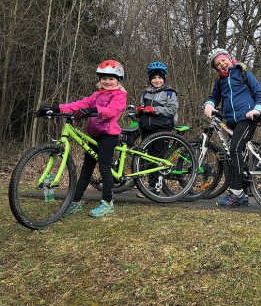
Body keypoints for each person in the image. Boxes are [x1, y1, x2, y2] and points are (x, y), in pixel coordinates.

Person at [35, 60, 127, 218]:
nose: (107, 81)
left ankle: (107, 203)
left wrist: (92, 110)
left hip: (108, 135)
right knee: (86, 170)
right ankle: (76, 202)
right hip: (94, 135)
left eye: (111, 78)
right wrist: (54, 108)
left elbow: (111, 111)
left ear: (118, 80)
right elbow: (79, 104)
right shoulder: (96, 95)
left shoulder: (120, 95)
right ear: (100, 80)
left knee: (104, 168)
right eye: (104, 78)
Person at [203, 47, 261, 207]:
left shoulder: (243, 74)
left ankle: (236, 192)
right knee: (236, 155)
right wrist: (209, 105)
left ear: (229, 59)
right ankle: (243, 195)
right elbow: (213, 97)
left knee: (235, 149)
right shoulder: (219, 82)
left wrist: (257, 110)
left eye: (223, 60)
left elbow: (259, 92)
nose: (221, 64)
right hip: (231, 122)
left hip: (247, 118)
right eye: (217, 64)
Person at [135, 61, 179, 198]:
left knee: (159, 158)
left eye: (159, 77)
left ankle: (155, 188)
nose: (157, 80)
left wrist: (154, 109)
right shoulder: (145, 94)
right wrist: (139, 111)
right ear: (150, 79)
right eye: (154, 78)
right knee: (148, 158)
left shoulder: (170, 93)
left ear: (164, 79)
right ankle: (151, 185)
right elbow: (142, 111)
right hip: (146, 129)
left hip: (162, 128)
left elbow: (172, 109)